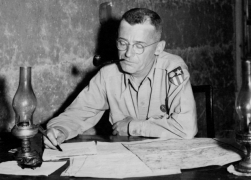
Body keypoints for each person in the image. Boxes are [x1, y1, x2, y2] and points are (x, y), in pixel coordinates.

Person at [44, 8, 197, 150]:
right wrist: (60, 130)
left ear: (158, 48)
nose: (128, 53)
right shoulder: (108, 74)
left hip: (167, 160)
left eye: (139, 46)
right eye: (123, 43)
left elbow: (186, 129)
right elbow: (77, 113)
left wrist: (131, 127)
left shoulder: (172, 69)